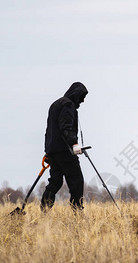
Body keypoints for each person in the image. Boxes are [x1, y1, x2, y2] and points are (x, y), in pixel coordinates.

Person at [41, 82, 88, 212]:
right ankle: (77, 212)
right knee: (77, 180)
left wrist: (48, 151)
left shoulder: (55, 104)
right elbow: (66, 127)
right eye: (82, 97)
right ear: (76, 94)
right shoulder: (68, 105)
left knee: (55, 182)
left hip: (53, 151)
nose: (83, 100)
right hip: (64, 151)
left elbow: (49, 130)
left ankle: (44, 211)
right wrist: (74, 144)